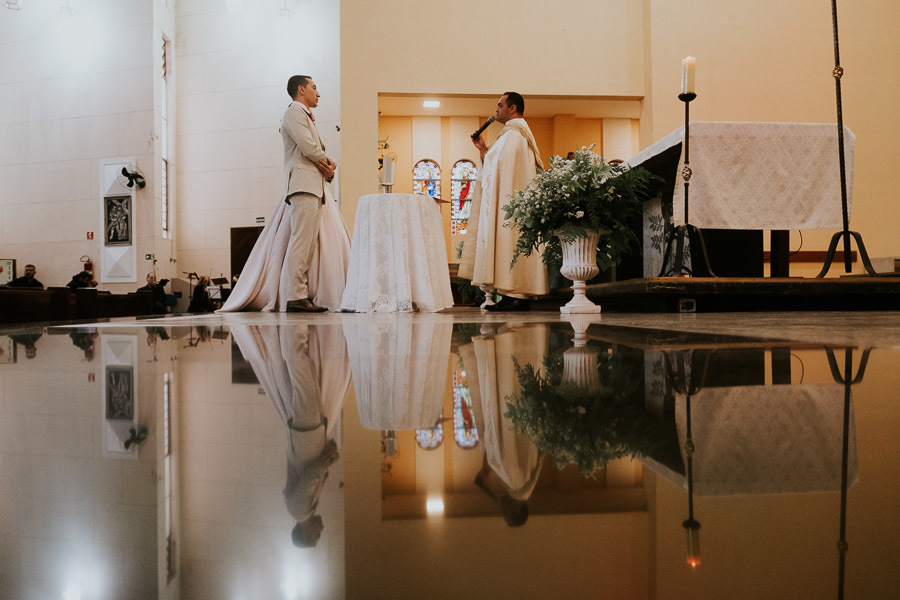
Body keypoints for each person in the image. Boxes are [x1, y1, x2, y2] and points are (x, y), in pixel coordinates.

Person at [218, 76, 351, 314]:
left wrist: (327, 170)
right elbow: (309, 147)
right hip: (303, 185)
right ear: (301, 90)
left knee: (307, 243)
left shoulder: (305, 115)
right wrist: (329, 163)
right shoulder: (294, 113)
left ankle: (300, 294)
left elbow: (313, 150)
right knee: (301, 242)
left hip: (312, 185)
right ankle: (295, 296)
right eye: (314, 87)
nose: (318, 93)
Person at [459, 92, 549, 311]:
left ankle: (516, 295)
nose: (496, 109)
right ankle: (510, 294)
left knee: (511, 241)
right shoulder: (509, 134)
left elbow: (502, 168)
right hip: (507, 202)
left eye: (500, 105)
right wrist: (482, 149)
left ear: (513, 108)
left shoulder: (516, 135)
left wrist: (486, 154)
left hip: (511, 202)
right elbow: (497, 165)